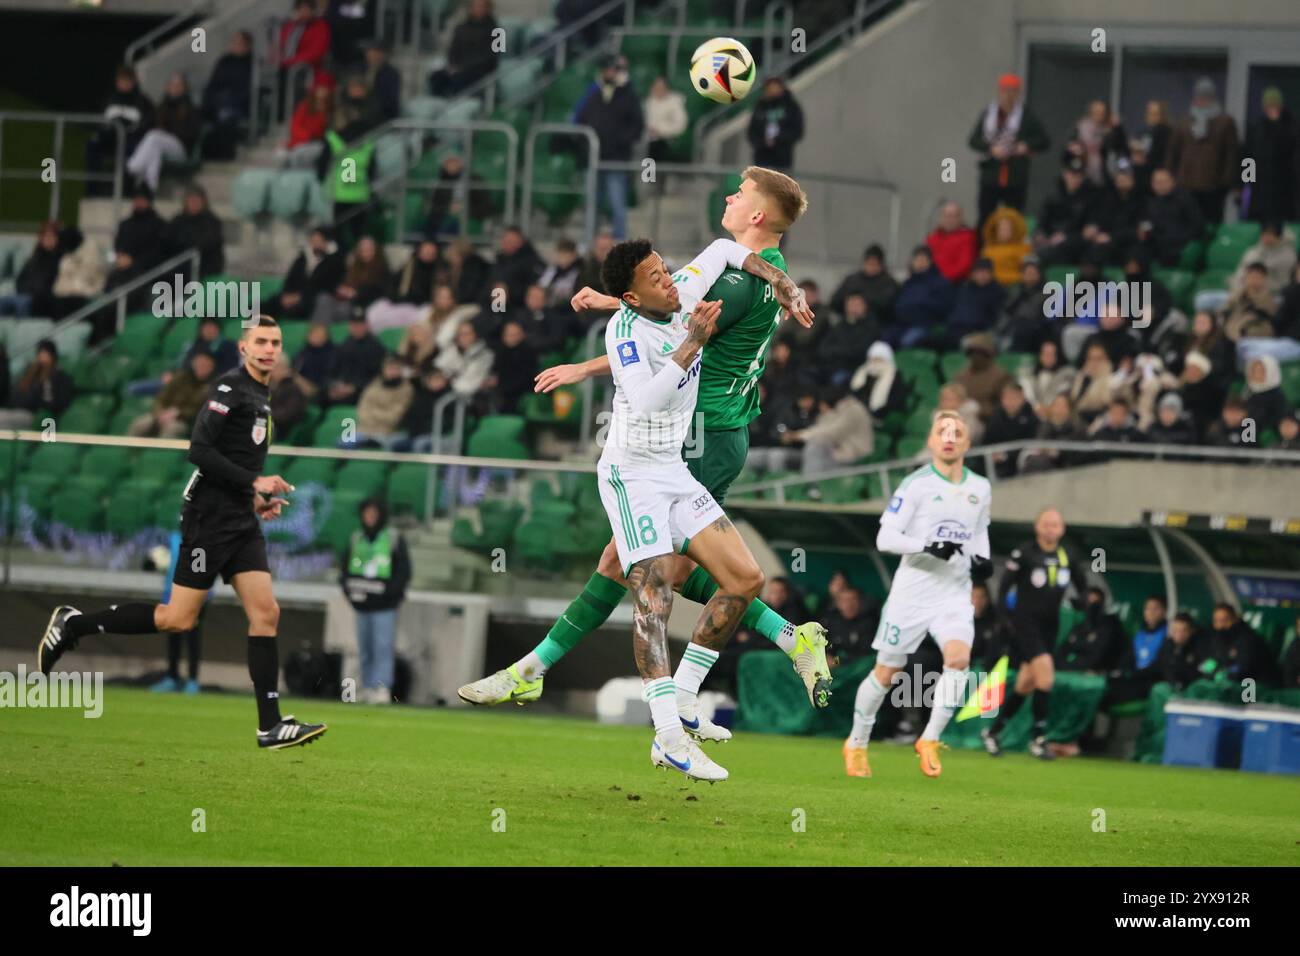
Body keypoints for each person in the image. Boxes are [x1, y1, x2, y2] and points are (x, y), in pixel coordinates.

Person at [459, 168, 831, 717]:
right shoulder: (763, 271)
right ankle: (542, 673)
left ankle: (630, 692)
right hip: (709, 431)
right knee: (638, 563)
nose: (728, 197)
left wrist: (596, 343)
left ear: (757, 215)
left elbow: (668, 323)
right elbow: (668, 314)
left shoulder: (742, 281)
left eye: (740, 194)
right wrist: (610, 319)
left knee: (644, 567)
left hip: (700, 433)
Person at [37, 317, 328, 750]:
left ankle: (270, 725)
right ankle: (75, 623)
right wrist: (253, 484)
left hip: (239, 521)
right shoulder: (229, 389)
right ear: (243, 348)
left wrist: (254, 500)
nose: (269, 349)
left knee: (266, 613)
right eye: (261, 341)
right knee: (178, 618)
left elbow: (235, 463)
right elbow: (200, 450)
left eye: (276, 342)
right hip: (208, 521)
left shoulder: (263, 397)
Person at [843, 410, 993, 779]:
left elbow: (980, 531)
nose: (949, 436)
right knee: (886, 672)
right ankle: (857, 743)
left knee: (958, 660)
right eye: (942, 430)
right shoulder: (916, 484)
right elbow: (885, 537)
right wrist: (927, 545)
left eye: (957, 432)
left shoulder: (981, 487)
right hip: (912, 592)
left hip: (954, 592)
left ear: (967, 443)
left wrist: (984, 558)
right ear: (930, 441)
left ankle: (929, 739)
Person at [982, 507, 1087, 760]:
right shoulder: (1025, 552)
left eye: (1055, 524)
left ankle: (994, 731)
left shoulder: (1068, 555)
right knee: (1046, 677)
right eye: (1046, 523)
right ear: (1037, 527)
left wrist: (1080, 604)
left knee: (1027, 683)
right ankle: (1038, 738)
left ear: (1062, 529)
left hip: (1050, 626)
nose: (1051, 528)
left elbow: (1083, 586)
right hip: (1025, 624)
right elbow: (1004, 585)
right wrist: (1005, 619)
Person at [341, 497, 411, 704]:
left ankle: (381, 688)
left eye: (373, 513)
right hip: (362, 604)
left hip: (385, 606)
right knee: (365, 648)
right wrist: (351, 595)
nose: (370, 517)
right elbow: (345, 571)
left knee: (382, 646)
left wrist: (391, 595)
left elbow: (403, 571)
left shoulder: (393, 538)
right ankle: (367, 687)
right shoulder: (356, 538)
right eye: (366, 513)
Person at [575, 55, 644, 240]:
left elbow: (637, 125)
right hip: (594, 156)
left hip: (616, 158)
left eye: (613, 69)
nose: (609, 73)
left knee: (617, 204)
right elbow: (580, 118)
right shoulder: (594, 92)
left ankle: (619, 242)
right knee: (592, 204)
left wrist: (619, 141)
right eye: (607, 69)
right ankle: (590, 241)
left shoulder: (628, 94)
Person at [968, 73, 1050, 227]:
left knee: (1013, 219)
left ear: (1018, 93)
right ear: (1000, 92)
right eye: (1005, 90)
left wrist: (1026, 146)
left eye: (1013, 91)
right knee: (986, 219)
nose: (1008, 95)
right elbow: (973, 140)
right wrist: (991, 149)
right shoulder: (989, 114)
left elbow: (1044, 141)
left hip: (1015, 177)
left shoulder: (1025, 116)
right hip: (991, 175)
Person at [1167, 77, 1239, 225]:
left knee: (1210, 223)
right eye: (1199, 96)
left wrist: (1228, 183)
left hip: (1213, 186)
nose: (1202, 100)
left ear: (1212, 98)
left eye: (1206, 97)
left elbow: (1233, 155)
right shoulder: (1184, 122)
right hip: (1186, 183)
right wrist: (1170, 175)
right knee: (1187, 223)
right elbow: (1173, 151)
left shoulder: (1225, 122)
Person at [149, 520, 210, 694]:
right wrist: (153, 562)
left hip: (195, 597)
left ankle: (192, 680)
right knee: (173, 637)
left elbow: (201, 570)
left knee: (192, 638)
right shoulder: (173, 539)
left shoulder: (202, 541)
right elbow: (159, 560)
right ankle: (172, 677)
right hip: (172, 595)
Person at [86, 65, 154, 195]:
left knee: (131, 151)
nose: (124, 83)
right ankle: (92, 190)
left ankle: (125, 191)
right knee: (92, 146)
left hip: (131, 140)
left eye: (127, 80)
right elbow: (99, 121)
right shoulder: (108, 100)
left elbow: (147, 123)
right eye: (121, 80)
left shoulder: (142, 101)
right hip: (109, 138)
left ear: (134, 81)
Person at [126, 72, 201, 191]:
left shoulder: (190, 106)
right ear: (167, 87)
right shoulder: (163, 105)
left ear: (184, 88)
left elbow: (192, 132)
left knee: (154, 136)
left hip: (181, 148)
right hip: (161, 144)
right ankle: (150, 189)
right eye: (172, 85)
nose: (175, 88)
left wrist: (169, 132)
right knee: (154, 151)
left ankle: (133, 166)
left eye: (179, 85)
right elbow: (150, 124)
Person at [784, 384, 874, 477]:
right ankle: (808, 485)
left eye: (822, 404)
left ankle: (811, 486)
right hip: (841, 452)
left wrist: (800, 435)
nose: (820, 407)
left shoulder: (851, 409)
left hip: (856, 455)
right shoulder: (838, 410)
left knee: (815, 447)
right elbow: (822, 428)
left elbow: (833, 432)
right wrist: (799, 434)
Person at [1242, 88, 1299, 224]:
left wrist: (1278, 125)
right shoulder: (1256, 129)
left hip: (1284, 191)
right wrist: (1246, 183)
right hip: (1259, 190)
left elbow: (1293, 156)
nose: (1271, 109)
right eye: (1268, 106)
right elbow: (1248, 157)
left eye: (1275, 105)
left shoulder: (1291, 128)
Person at [129, 350, 217, 438]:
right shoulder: (181, 377)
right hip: (163, 414)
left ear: (211, 366)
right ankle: (127, 451)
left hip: (186, 420)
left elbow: (202, 409)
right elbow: (161, 398)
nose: (200, 367)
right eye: (198, 364)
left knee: (171, 429)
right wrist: (160, 413)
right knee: (140, 424)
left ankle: (161, 452)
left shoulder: (215, 384)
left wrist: (178, 413)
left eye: (204, 365)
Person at [267, 227, 346, 320]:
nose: (315, 243)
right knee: (262, 305)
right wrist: (286, 295)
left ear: (326, 242)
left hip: (310, 301)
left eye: (318, 240)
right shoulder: (302, 259)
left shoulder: (333, 262)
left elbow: (326, 286)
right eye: (313, 240)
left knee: (293, 309)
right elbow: (290, 279)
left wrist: (299, 297)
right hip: (291, 297)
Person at [887, 245, 953, 349]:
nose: (920, 263)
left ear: (930, 262)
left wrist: (921, 305)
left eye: (923, 260)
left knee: (907, 342)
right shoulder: (908, 283)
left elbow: (944, 307)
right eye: (917, 260)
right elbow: (898, 305)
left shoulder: (940, 283)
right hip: (902, 324)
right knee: (884, 340)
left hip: (925, 326)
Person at [201, 30, 254, 159]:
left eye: (240, 43)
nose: (236, 46)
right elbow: (211, 86)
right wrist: (212, 102)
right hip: (217, 104)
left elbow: (249, 91)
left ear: (248, 45)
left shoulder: (253, 64)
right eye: (234, 42)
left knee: (225, 117)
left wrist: (230, 102)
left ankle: (223, 156)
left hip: (239, 106)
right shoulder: (223, 61)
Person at [428, 0, 498, 96]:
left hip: (478, 71)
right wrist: (452, 64)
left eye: (481, 6)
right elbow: (453, 50)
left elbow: (491, 57)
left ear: (488, 8)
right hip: (458, 68)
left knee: (459, 80)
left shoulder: (497, 31)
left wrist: (463, 67)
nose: (478, 9)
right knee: (437, 77)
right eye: (476, 6)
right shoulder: (461, 27)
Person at [0, 340, 73, 429]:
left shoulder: (58, 377)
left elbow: (57, 402)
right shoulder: (30, 374)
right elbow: (15, 395)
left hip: (33, 415)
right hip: (16, 411)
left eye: (45, 354)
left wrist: (39, 404)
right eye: (40, 354)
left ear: (52, 356)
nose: (42, 357)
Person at [1055, 586, 1125, 673]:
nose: (1091, 604)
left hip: (1097, 672)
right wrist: (1063, 665)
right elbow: (1063, 650)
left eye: (1096, 601)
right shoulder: (1079, 626)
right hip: (1072, 668)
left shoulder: (1108, 624)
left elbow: (1098, 655)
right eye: (1089, 600)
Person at [351, 354, 414, 449]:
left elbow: (394, 417)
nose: (391, 371)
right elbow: (362, 410)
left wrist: (373, 412)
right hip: (363, 429)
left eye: (395, 368)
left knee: (375, 445)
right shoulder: (374, 385)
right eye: (389, 368)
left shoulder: (406, 390)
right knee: (343, 443)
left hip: (388, 432)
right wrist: (377, 415)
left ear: (401, 370)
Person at [0, 221, 62, 317]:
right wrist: (24, 291)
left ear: (57, 239)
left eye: (51, 236)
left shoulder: (59, 260)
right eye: (45, 236)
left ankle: (21, 330)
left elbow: (51, 284)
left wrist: (33, 294)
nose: (48, 239)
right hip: (25, 294)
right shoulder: (33, 259)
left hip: (41, 299)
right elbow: (19, 280)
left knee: (21, 303)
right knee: (3, 302)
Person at [942, 256, 1005, 349]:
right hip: (955, 329)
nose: (982, 275)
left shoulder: (997, 292)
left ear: (991, 274)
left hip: (977, 332)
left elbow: (996, 318)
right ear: (973, 274)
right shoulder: (963, 289)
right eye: (978, 272)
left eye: (985, 272)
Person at [164, 184, 225, 279]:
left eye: (197, 200)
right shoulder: (178, 221)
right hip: (179, 268)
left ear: (203, 202)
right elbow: (168, 241)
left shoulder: (211, 222)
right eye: (191, 200)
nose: (194, 203)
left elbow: (207, 244)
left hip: (204, 269)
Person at [326, 312, 385, 407]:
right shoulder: (345, 344)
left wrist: (354, 387)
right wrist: (335, 385)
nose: (357, 328)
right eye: (354, 325)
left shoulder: (376, 347)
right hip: (340, 385)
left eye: (360, 325)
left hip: (362, 389)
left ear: (367, 325)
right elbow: (333, 369)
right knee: (322, 396)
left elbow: (377, 376)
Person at [746, 76, 804, 171]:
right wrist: (762, 142)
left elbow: (797, 130)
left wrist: (778, 140)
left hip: (782, 156)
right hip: (761, 156)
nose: (772, 90)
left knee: (780, 182)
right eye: (769, 87)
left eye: (775, 87)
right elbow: (752, 131)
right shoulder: (760, 107)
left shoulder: (791, 106)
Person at [952, 332, 1011, 422]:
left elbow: (1005, 406)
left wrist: (980, 411)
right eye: (972, 352)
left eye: (980, 353)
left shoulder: (1001, 376)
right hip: (959, 415)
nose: (976, 356)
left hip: (985, 421)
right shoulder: (961, 376)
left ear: (989, 354)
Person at [984, 382, 1039, 477]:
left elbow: (1031, 443)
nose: (1010, 402)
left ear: (1022, 399)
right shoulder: (996, 417)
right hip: (998, 466)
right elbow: (987, 440)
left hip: (1022, 465)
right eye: (1007, 398)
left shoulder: (1031, 417)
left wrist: (1006, 455)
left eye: (1014, 398)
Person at [831, 244, 899, 320]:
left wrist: (863, 304)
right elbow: (835, 302)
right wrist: (850, 304)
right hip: (849, 322)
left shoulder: (888, 283)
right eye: (868, 263)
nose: (870, 267)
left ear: (881, 265)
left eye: (874, 264)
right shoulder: (852, 280)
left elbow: (887, 306)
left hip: (876, 325)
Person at [849, 341, 910, 423]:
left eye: (879, 359)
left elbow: (896, 400)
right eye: (873, 358)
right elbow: (856, 391)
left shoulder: (894, 375)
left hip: (885, 414)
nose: (875, 362)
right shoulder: (864, 372)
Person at [277, 81, 333, 168]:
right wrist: (307, 137)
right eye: (320, 88)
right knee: (283, 155)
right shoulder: (305, 106)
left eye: (325, 88)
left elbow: (326, 131)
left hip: (319, 143)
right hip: (302, 141)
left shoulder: (330, 109)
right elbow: (295, 126)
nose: (322, 91)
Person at [820, 586, 877, 664]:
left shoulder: (868, 623)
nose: (849, 605)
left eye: (852, 600)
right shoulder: (833, 621)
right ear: (838, 604)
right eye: (844, 601)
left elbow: (864, 655)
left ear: (859, 602)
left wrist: (836, 661)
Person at [926, 201, 980, 284]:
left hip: (956, 283)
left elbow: (965, 265)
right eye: (946, 216)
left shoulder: (968, 237)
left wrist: (944, 278)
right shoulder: (932, 238)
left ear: (960, 218)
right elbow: (926, 261)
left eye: (953, 216)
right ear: (940, 217)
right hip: (933, 282)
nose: (949, 220)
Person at [981, 206, 1031, 286]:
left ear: (1014, 230)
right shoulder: (988, 249)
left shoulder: (1023, 248)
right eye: (1001, 229)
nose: (1004, 232)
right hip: (990, 286)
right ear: (995, 230)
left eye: (1007, 229)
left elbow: (1028, 271)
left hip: (1015, 284)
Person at [644, 76, 687, 167]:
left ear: (666, 89)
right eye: (656, 87)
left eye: (661, 87)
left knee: (660, 171)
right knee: (648, 174)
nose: (658, 90)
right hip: (646, 142)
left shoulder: (675, 103)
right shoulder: (648, 102)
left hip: (665, 143)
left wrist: (660, 130)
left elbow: (680, 125)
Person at [363, 39, 401, 121]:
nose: (372, 55)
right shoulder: (361, 69)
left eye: (376, 52)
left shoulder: (391, 74)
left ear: (384, 54)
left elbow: (389, 100)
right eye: (370, 52)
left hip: (381, 117)